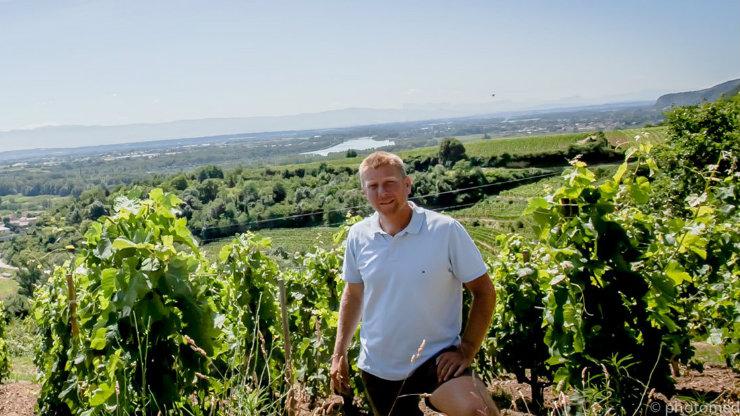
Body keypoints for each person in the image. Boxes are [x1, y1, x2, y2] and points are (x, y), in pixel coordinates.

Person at [330, 151, 499, 416]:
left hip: (436, 360)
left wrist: (466, 349)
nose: (382, 192)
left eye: (390, 183)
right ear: (364, 193)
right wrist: (339, 353)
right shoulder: (358, 235)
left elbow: (484, 292)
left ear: (407, 184)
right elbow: (353, 294)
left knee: (478, 411)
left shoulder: (445, 230)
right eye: (372, 186)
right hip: (378, 368)